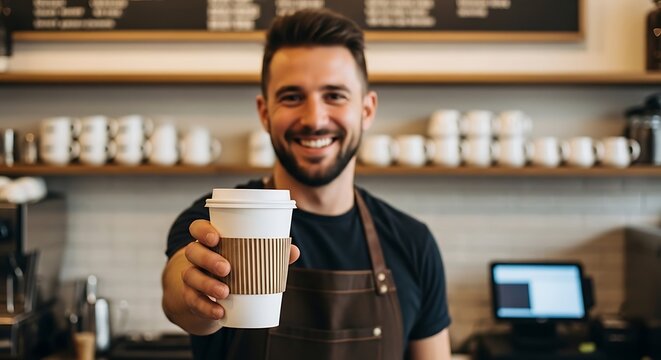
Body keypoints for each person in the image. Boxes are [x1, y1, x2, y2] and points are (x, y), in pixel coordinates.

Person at [162, 8, 451, 360]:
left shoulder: (413, 243)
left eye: (335, 95)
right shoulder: (215, 221)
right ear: (265, 112)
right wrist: (196, 298)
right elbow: (179, 297)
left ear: (367, 109)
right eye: (292, 97)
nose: (314, 119)